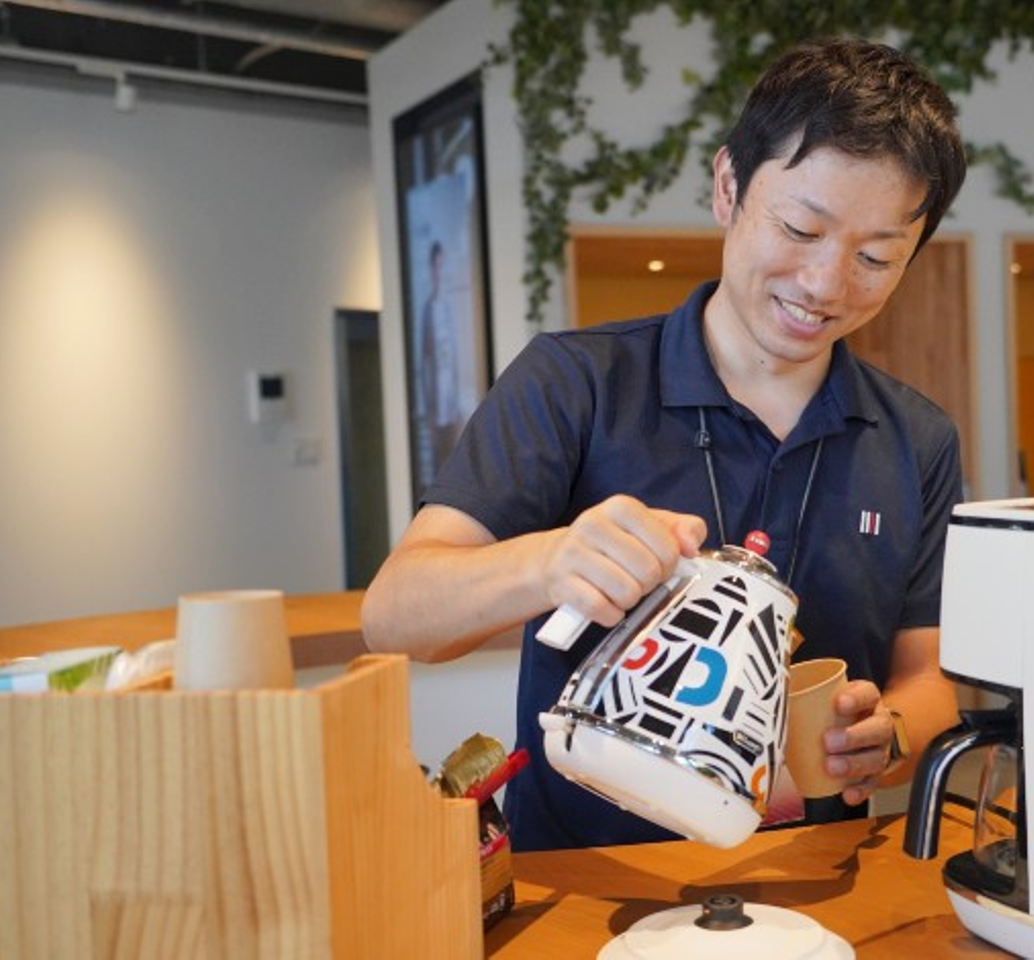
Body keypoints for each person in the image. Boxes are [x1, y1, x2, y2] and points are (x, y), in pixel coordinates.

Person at [363, 37, 967, 851]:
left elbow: (928, 676)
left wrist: (888, 734)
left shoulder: (918, 439)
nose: (825, 284)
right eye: (800, 228)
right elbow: (395, 615)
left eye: (874, 257)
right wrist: (550, 562)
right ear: (727, 187)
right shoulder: (576, 382)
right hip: (584, 876)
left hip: (811, 877)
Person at [416, 239, 461, 469]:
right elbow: (424, 362)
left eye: (441, 266)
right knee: (438, 467)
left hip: (450, 402)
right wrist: (428, 411)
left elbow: (454, 359)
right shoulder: (427, 310)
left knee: (454, 464)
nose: (438, 272)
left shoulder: (448, 309)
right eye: (435, 266)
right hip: (435, 405)